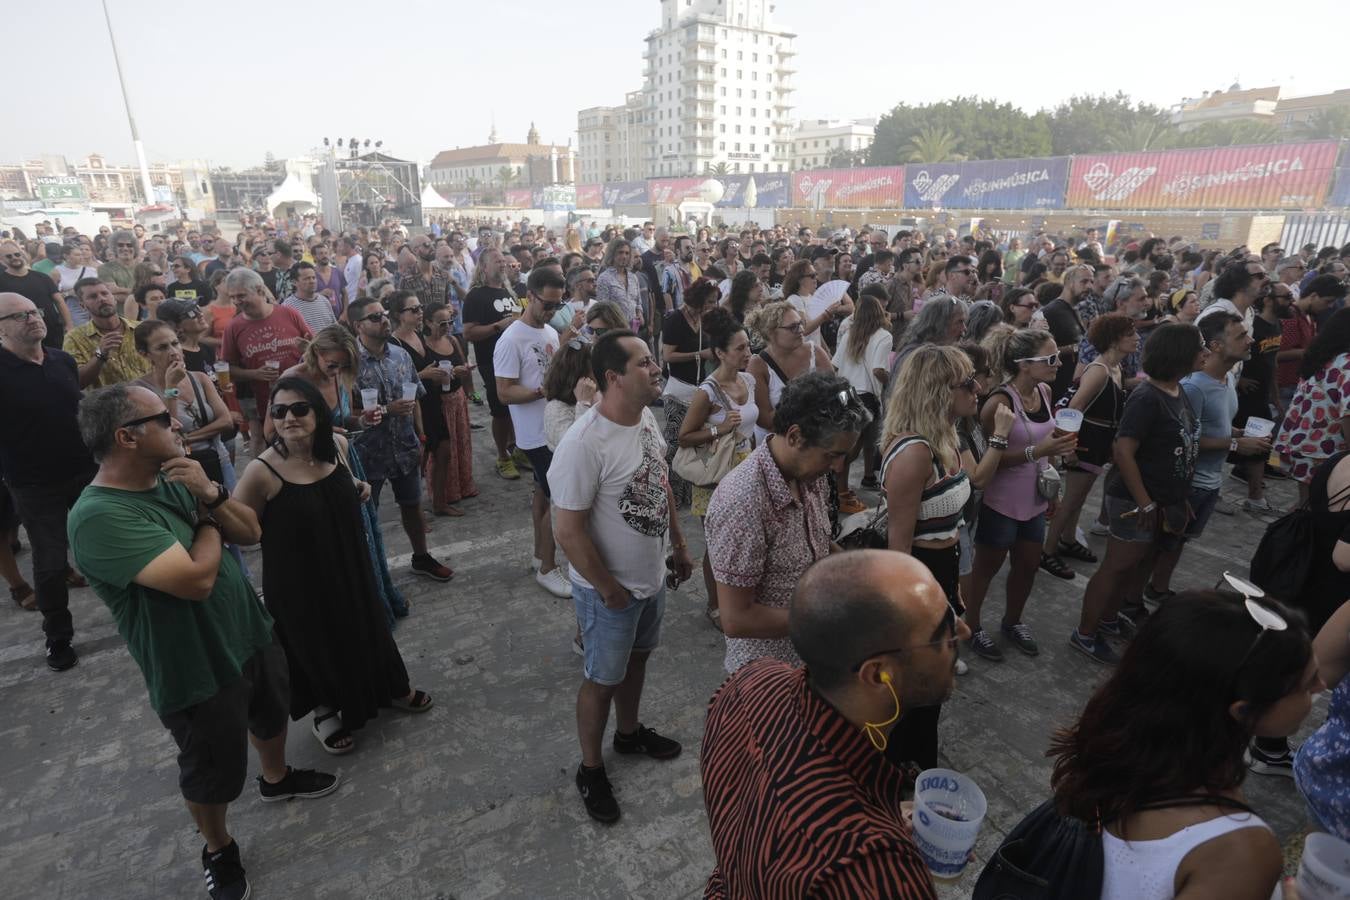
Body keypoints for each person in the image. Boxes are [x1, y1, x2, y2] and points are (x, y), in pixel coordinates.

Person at [67, 383, 339, 900]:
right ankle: (217, 847)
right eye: (164, 419)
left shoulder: (174, 477)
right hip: (194, 664)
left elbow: (251, 531)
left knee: (270, 709)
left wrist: (210, 496)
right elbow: (195, 581)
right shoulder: (99, 515)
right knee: (211, 767)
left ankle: (276, 778)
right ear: (127, 437)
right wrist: (205, 518)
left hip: (247, 629)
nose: (178, 424)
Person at [702, 550, 965, 900]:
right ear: (877, 674)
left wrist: (885, 814)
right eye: (942, 633)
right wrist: (886, 844)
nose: (963, 630)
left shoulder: (749, 682)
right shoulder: (874, 873)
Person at [1050, 591, 1320, 900]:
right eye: (1306, 685)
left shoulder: (1119, 746)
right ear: (1242, 711)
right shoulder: (1240, 853)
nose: (1322, 686)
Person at [234, 378, 432, 755]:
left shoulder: (337, 447)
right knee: (315, 640)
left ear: (318, 413)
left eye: (299, 409)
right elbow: (243, 531)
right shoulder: (262, 471)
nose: (289, 417)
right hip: (298, 579)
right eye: (279, 411)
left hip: (348, 561)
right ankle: (325, 710)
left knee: (364, 622)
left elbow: (341, 484)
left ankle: (388, 686)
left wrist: (360, 485)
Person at [551, 330, 694, 824]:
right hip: (608, 593)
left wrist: (677, 545)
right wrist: (609, 590)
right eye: (644, 363)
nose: (656, 369)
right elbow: (567, 531)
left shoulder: (647, 419)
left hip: (651, 578)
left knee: (638, 662)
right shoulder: (583, 444)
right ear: (612, 377)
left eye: (654, 359)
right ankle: (591, 769)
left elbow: (660, 482)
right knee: (601, 680)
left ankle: (628, 736)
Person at [879, 344, 1012, 766]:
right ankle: (900, 768)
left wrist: (953, 585)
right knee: (918, 682)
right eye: (967, 383)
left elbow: (965, 501)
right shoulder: (915, 452)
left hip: (944, 569)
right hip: (918, 575)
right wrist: (917, 611)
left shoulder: (948, 436)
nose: (979, 388)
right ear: (938, 391)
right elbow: (898, 549)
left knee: (934, 684)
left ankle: (918, 761)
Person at [705, 372, 868, 674]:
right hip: (770, 677)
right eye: (832, 455)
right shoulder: (743, 502)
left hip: (813, 655)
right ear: (794, 436)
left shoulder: (809, 473)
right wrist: (824, 618)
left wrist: (856, 571)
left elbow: (815, 543)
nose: (838, 467)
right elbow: (737, 618)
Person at [1074, 324, 1205, 665]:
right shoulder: (1147, 398)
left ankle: (1109, 619)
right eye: (1200, 347)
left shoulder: (1178, 390)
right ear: (1180, 354)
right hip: (1134, 501)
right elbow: (1123, 451)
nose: (1205, 352)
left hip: (1161, 499)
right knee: (1117, 566)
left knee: (1134, 567)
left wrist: (1177, 497)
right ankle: (1085, 634)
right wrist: (1145, 500)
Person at [281, 325, 407, 625]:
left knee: (363, 535)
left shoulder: (338, 377)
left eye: (345, 366)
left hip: (347, 460)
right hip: (312, 470)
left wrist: (361, 418)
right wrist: (322, 432)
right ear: (316, 354)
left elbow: (344, 419)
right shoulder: (293, 380)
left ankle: (374, 598)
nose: (337, 371)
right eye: (333, 364)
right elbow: (273, 431)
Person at [963, 328, 1077, 661]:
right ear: (1024, 364)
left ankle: (1013, 622)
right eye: (1051, 359)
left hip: (1035, 499)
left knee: (1028, 565)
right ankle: (972, 626)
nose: (1059, 363)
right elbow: (987, 463)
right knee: (987, 569)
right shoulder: (998, 403)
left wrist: (1052, 475)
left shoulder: (1043, 390)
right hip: (1002, 502)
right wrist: (1036, 451)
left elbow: (1049, 442)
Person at [0, 292, 97, 671]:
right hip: (34, 484)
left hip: (84, 471)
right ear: (2, 328)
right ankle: (58, 636)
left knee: (107, 542)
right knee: (51, 561)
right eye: (20, 315)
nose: (32, 318)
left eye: (34, 311)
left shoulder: (62, 360)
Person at [347, 295, 454, 582]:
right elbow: (346, 413)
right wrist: (385, 409)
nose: (383, 320)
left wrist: (421, 436)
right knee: (369, 515)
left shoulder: (400, 355)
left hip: (405, 445)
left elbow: (415, 396)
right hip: (369, 452)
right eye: (374, 317)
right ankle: (373, 571)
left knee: (412, 505)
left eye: (383, 314)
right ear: (358, 325)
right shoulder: (349, 363)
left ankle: (421, 557)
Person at [1039, 314, 1137, 580]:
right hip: (1085, 443)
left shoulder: (1116, 368)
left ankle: (1068, 540)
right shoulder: (1099, 370)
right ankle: (1047, 551)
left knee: (1079, 499)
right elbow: (1074, 407)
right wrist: (1068, 447)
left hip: (1098, 443)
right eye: (1131, 334)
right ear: (1115, 339)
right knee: (1070, 501)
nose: (1137, 338)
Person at [678, 306, 757, 630]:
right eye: (740, 348)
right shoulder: (707, 392)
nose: (747, 353)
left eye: (748, 346)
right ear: (720, 353)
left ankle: (742, 597)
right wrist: (718, 429)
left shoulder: (749, 379)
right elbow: (683, 437)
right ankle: (715, 604)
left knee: (747, 538)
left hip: (748, 467)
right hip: (717, 474)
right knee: (718, 544)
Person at [494, 268, 571, 599]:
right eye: (548, 304)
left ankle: (541, 556)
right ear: (531, 296)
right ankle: (548, 569)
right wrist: (543, 391)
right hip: (536, 435)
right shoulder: (511, 339)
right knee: (558, 501)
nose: (552, 311)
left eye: (557, 304)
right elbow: (504, 393)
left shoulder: (550, 333)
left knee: (543, 495)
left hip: (552, 429)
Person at [131, 320, 236, 492]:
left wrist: (186, 438)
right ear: (145, 354)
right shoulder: (140, 390)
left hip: (217, 458)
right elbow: (169, 432)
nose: (173, 352)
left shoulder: (200, 378)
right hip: (178, 468)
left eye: (175, 343)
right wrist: (171, 388)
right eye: (162, 348)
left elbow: (226, 421)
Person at [219, 268, 311, 457]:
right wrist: (254, 374)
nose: (237, 301)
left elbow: (314, 347)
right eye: (233, 297)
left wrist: (308, 350)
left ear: (260, 290)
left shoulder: (288, 314)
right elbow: (227, 368)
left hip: (300, 392)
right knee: (264, 441)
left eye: (242, 295)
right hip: (261, 399)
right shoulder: (234, 327)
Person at [462, 247, 528, 480]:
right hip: (493, 361)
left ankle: (519, 449)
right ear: (484, 267)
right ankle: (502, 456)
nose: (503, 265)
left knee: (519, 405)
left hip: (520, 358)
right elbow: (469, 333)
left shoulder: (516, 291)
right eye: (497, 261)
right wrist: (500, 325)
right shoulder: (476, 296)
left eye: (505, 261)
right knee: (500, 410)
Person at [1275, 308, 1350, 506]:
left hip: (1305, 444)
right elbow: (1348, 415)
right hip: (1328, 451)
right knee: (1318, 511)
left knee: (1306, 506)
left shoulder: (1323, 357)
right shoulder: (1347, 364)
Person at [659, 277, 719, 507]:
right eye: (710, 302)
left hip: (698, 388)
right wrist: (699, 355)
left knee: (695, 442)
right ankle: (671, 494)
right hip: (678, 389)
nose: (713, 306)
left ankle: (689, 492)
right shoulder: (675, 319)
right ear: (699, 300)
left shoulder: (705, 320)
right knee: (675, 442)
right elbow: (667, 356)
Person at [745, 301, 834, 447]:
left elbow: (835, 394)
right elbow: (765, 421)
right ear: (771, 333)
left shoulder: (815, 351)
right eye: (793, 327)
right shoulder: (758, 365)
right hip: (778, 447)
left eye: (801, 323)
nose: (801, 330)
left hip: (815, 441)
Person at [833, 289, 892, 492]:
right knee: (854, 448)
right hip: (867, 397)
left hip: (846, 393)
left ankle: (861, 480)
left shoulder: (850, 333)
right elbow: (878, 370)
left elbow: (835, 366)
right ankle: (840, 491)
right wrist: (890, 379)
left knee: (858, 441)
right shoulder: (884, 336)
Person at [421, 302, 477, 515]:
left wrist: (469, 388)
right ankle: (444, 494)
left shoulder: (453, 339)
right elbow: (424, 378)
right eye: (442, 323)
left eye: (450, 322)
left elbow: (464, 364)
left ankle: (463, 485)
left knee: (462, 444)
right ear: (428, 322)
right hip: (439, 402)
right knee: (444, 450)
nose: (447, 326)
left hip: (457, 398)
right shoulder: (423, 345)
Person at [0, 238, 70, 347]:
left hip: (53, 331)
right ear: (1, 260)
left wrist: (69, 325)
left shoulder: (42, 277)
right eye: (9, 256)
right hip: (22, 336)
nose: (14, 258)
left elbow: (59, 301)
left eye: (17, 254)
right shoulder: (1, 281)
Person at [594, 238, 650, 334]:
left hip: (634, 330)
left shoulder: (633, 278)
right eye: (620, 252)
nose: (624, 256)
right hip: (614, 331)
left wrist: (639, 314)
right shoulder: (604, 278)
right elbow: (602, 309)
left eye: (627, 253)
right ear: (612, 254)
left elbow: (638, 302)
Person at [280, 261, 337, 333]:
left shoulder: (324, 301)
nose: (312, 281)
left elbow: (335, 328)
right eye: (307, 278)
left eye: (313, 277)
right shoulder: (287, 306)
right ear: (294, 282)